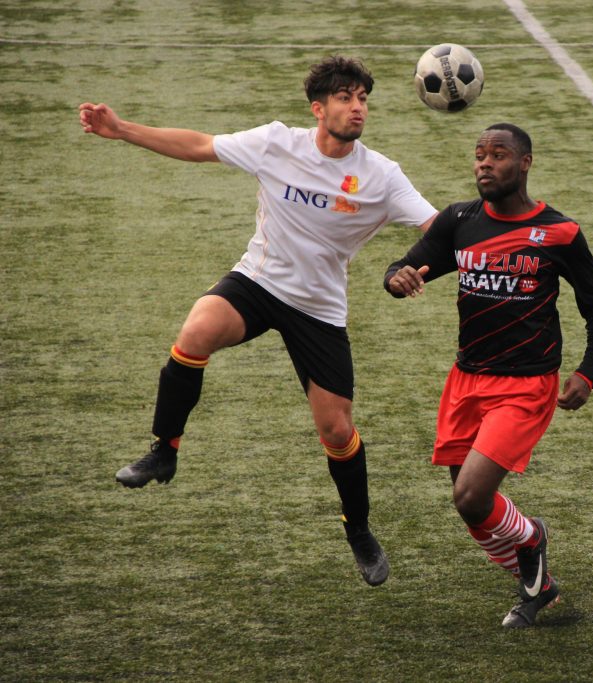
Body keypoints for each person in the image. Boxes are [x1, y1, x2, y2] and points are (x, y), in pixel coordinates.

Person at [78, 56, 437, 587]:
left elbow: (437, 227)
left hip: (318, 308)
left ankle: (358, 529)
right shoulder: (276, 143)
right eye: (345, 97)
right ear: (318, 109)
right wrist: (121, 129)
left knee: (337, 430)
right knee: (196, 332)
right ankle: (164, 451)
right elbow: (201, 146)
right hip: (259, 283)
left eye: (362, 98)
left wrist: (410, 266)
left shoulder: (381, 176)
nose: (357, 107)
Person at [384, 123, 593, 627]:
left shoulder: (560, 232)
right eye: (479, 154)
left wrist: (589, 372)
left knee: (471, 494)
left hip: (525, 386)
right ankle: (540, 585)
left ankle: (532, 539)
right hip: (466, 379)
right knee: (470, 504)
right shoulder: (459, 220)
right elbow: (407, 267)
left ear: (525, 163)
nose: (485, 163)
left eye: (499, 155)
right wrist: (395, 277)